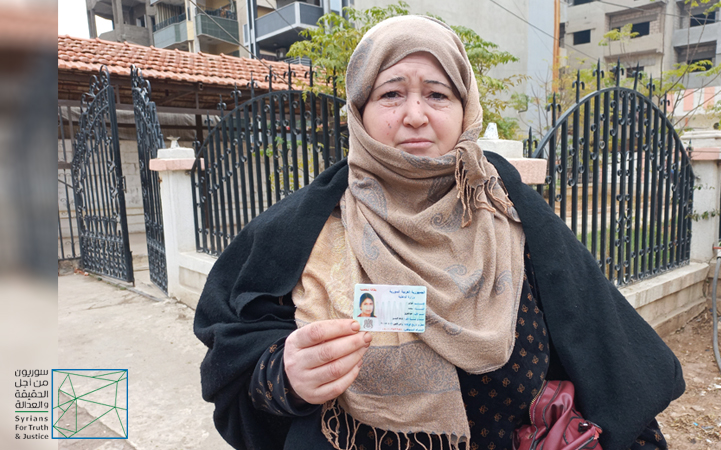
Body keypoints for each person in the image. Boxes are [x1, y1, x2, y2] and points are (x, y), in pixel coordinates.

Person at [194, 15, 684, 450]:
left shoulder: (505, 203)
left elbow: (595, 334)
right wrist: (285, 375)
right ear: (360, 109)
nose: (415, 115)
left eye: (437, 94)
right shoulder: (305, 224)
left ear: (463, 108)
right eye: (390, 94)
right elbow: (233, 346)